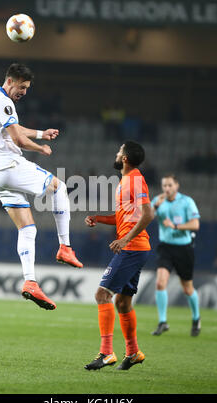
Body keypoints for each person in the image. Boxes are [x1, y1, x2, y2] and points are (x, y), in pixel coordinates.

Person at [0, 63, 83, 311]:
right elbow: (17, 139)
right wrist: (41, 149)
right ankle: (65, 247)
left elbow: (15, 130)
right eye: (23, 87)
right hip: (8, 165)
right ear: (11, 81)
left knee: (27, 229)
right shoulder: (4, 102)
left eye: (27, 88)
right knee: (59, 188)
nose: (24, 92)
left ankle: (30, 282)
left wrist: (41, 133)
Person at [84, 141, 154, 371]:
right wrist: (100, 218)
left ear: (124, 158)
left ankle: (106, 353)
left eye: (119, 151)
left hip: (132, 247)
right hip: (136, 247)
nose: (116, 153)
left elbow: (148, 214)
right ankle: (133, 352)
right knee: (122, 302)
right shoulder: (125, 181)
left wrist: (124, 239)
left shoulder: (134, 179)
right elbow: (123, 217)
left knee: (102, 294)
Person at [151, 174, 201, 336]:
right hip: (165, 247)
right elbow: (147, 217)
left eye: (170, 185)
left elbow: (195, 224)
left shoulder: (187, 202)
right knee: (160, 283)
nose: (167, 188)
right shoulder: (158, 201)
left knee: (187, 288)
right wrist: (156, 208)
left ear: (177, 186)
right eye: (164, 185)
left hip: (183, 248)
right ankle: (162, 322)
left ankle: (196, 318)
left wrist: (175, 226)